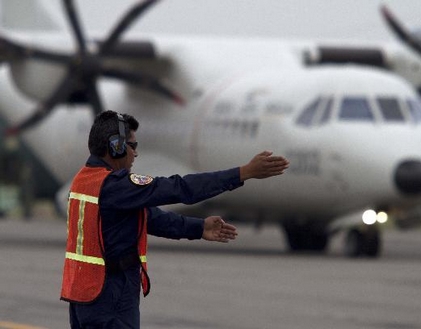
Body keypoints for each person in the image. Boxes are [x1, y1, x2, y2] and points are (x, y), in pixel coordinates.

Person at [60, 110, 289, 328]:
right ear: (116, 147)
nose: (136, 153)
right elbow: (180, 188)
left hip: (83, 293)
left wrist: (199, 228)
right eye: (133, 146)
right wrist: (243, 173)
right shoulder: (116, 186)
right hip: (111, 293)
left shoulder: (84, 180)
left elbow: (150, 219)